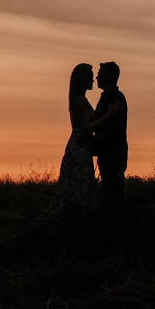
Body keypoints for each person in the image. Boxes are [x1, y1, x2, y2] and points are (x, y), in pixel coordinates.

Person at [54, 63, 102, 214]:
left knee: (78, 184)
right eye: (90, 76)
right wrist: (109, 115)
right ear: (83, 79)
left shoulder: (80, 99)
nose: (93, 80)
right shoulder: (80, 100)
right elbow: (87, 127)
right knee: (80, 185)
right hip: (79, 148)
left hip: (80, 145)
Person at [92, 61, 128, 209]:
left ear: (111, 76)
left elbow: (111, 130)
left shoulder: (114, 98)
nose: (96, 78)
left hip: (112, 154)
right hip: (110, 154)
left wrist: (92, 145)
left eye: (100, 74)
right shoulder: (110, 96)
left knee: (113, 195)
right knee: (111, 193)